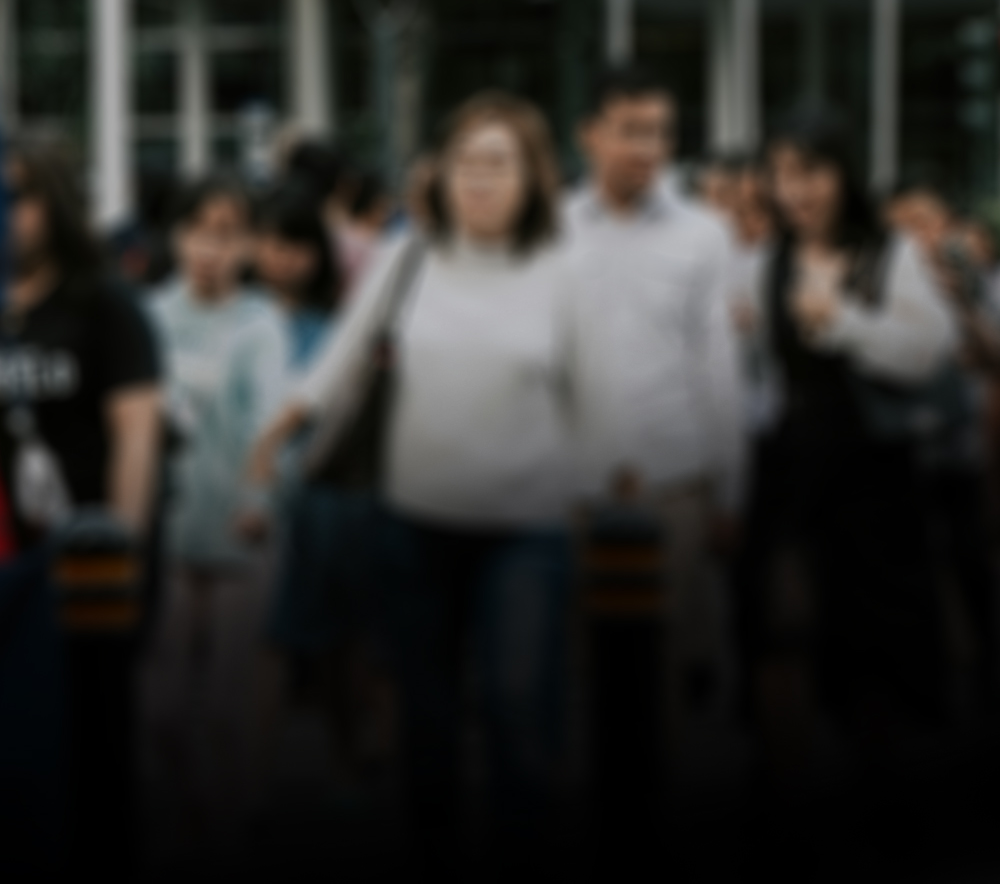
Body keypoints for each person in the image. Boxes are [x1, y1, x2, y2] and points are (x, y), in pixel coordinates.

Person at [248, 92, 578, 883]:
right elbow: (346, 351)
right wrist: (284, 420)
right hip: (412, 523)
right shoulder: (410, 256)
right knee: (424, 728)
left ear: (532, 176)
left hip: (528, 529)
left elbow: (600, 393)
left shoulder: (564, 269)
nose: (480, 179)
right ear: (441, 173)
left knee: (514, 710)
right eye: (467, 161)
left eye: (498, 163)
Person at [737, 108, 957, 775]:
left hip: (873, 476)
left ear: (842, 174)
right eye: (781, 173)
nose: (795, 189)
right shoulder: (762, 262)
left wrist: (841, 321)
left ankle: (883, 783)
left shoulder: (890, 253)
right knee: (786, 631)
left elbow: (928, 352)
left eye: (810, 171)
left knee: (877, 638)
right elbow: (753, 374)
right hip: (789, 469)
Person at [563, 66, 744, 734]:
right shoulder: (552, 229)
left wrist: (729, 494)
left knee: (665, 672)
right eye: (630, 131)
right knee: (579, 673)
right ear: (590, 135)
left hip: (677, 484)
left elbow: (717, 366)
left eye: (661, 132)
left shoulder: (704, 233)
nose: (649, 147)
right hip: (572, 486)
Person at [0, 134, 162, 881]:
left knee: (96, 747)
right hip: (8, 567)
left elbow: (136, 433)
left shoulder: (103, 303)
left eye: (20, 194)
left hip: (84, 561)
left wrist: (122, 551)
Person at [142, 176, 286, 871]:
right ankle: (190, 816)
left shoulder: (261, 322)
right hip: (164, 531)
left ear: (251, 244)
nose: (210, 248)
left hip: (237, 532)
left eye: (228, 233)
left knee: (226, 704)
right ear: (176, 237)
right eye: (199, 230)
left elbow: (269, 421)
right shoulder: (149, 315)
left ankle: (226, 834)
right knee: (164, 705)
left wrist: (257, 499)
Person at [250, 184, 391, 796]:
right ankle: (249, 772)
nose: (285, 259)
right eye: (274, 244)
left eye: (299, 247)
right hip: (248, 501)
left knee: (344, 640)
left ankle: (355, 751)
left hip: (324, 498)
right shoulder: (241, 317)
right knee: (265, 642)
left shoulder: (337, 323)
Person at [886, 180, 1000, 709]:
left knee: (970, 560)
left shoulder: (971, 282)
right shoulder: (882, 285)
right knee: (909, 572)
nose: (917, 236)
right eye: (904, 225)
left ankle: (980, 669)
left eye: (926, 222)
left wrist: (959, 303)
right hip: (900, 452)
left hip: (959, 451)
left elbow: (989, 356)